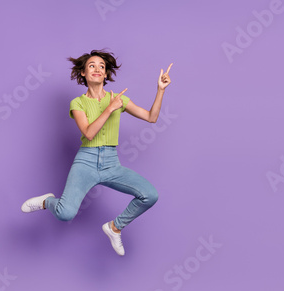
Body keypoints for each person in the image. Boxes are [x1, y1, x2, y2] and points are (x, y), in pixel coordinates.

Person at [21, 49, 173, 256]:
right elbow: (89, 133)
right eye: (92, 65)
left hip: (111, 162)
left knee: (149, 195)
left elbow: (151, 117)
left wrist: (160, 90)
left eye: (102, 66)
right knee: (65, 214)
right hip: (86, 162)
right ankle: (47, 201)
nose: (97, 69)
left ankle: (114, 228)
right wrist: (110, 108)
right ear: (83, 73)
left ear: (106, 74)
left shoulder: (119, 99)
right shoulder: (78, 103)